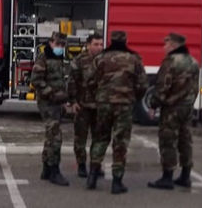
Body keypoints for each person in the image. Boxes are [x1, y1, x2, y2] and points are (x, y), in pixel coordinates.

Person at [87, 31, 148, 194]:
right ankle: (117, 182)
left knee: (100, 139)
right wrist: (133, 98)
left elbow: (90, 81)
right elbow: (142, 84)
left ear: (110, 41)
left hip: (104, 104)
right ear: (126, 41)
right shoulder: (134, 59)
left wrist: (99, 96)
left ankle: (92, 176)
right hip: (124, 105)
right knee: (120, 143)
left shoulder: (100, 58)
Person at [148, 33, 200, 190]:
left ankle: (167, 177)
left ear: (173, 45)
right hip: (187, 107)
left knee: (167, 140)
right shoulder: (193, 62)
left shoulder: (170, 62)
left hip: (172, 108)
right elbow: (195, 87)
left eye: (166, 44)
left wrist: (153, 105)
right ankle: (185, 176)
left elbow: (163, 86)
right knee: (185, 140)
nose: (164, 47)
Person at [31, 31, 70, 186]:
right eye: (58, 44)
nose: (60, 47)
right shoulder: (44, 58)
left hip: (57, 103)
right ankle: (54, 170)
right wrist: (52, 94)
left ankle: (46, 169)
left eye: (62, 45)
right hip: (47, 103)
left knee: (50, 136)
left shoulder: (58, 58)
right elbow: (36, 80)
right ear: (51, 42)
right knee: (56, 137)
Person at [67, 33, 104, 178]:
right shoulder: (80, 61)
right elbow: (72, 82)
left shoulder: (105, 61)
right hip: (83, 106)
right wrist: (73, 101)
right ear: (88, 45)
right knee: (80, 138)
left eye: (101, 44)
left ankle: (96, 166)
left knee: (99, 139)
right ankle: (81, 166)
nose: (99, 47)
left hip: (100, 107)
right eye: (96, 44)